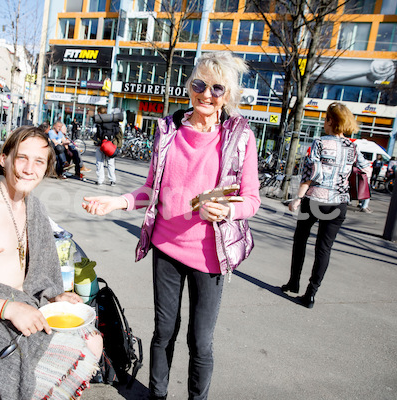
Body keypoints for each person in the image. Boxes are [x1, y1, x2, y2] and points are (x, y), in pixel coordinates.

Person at [82, 52, 261, 400]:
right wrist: (118, 201)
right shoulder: (169, 130)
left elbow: (252, 199)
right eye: (198, 85)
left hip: (209, 254)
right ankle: (158, 395)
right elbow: (152, 188)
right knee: (164, 331)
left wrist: (226, 209)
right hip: (166, 247)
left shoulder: (240, 137)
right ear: (189, 87)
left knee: (200, 340)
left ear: (228, 95)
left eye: (216, 88)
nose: (205, 94)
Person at [0, 125, 102, 399]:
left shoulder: (31, 206)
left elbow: (33, 274)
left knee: (92, 338)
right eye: (21, 158)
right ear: (4, 158)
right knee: (85, 347)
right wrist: (9, 309)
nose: (28, 169)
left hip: (19, 309)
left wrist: (54, 297)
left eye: (38, 161)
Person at [283, 102, 370, 308]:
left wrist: (297, 198)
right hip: (339, 203)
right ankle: (310, 294)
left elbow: (310, 174)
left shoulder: (320, 143)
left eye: (325, 118)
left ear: (331, 120)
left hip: (314, 200)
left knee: (301, 240)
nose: (324, 122)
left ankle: (294, 281)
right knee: (324, 248)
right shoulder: (353, 147)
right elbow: (366, 169)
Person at [94, 106, 123, 186]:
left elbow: (99, 134)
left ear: (99, 113)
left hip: (101, 144)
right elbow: (118, 133)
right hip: (110, 144)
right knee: (110, 163)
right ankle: (112, 180)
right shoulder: (112, 121)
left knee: (100, 162)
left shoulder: (99, 121)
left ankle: (100, 180)